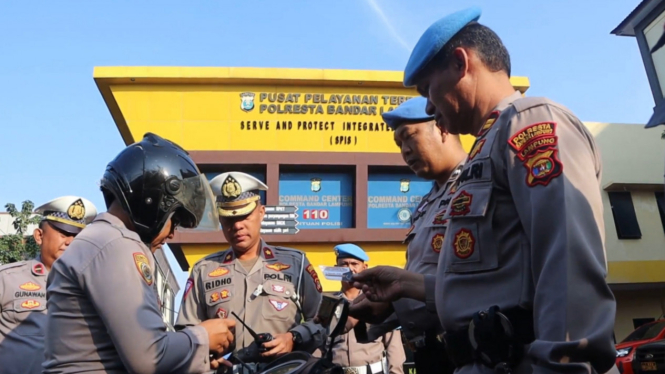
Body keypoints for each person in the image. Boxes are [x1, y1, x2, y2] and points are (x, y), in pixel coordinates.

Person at [350, 7, 618, 374]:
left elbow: (567, 257)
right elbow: (491, 285)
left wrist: (564, 365)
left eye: (428, 88)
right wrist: (404, 285)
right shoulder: (487, 146)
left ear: (461, 63)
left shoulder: (531, 120)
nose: (428, 105)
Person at [43, 133, 236, 374]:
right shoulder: (117, 245)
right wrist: (204, 336)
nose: (172, 235)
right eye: (174, 221)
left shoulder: (99, 240)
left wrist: (196, 356)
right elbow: (150, 357)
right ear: (154, 203)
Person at [176, 171, 326, 373]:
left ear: (261, 212)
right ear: (220, 219)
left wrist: (294, 337)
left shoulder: (295, 264)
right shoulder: (204, 270)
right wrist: (204, 358)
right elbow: (186, 333)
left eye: (244, 215)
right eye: (229, 218)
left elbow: (323, 321)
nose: (237, 225)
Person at [0, 196, 97, 374]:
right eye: (64, 233)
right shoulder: (7, 279)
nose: (70, 242)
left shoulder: (92, 288)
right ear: (39, 236)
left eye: (77, 236)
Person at [327, 243, 405, 374]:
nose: (350, 269)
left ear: (365, 268)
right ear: (336, 269)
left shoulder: (378, 301)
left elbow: (394, 345)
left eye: (354, 264)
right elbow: (320, 344)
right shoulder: (329, 304)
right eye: (344, 264)